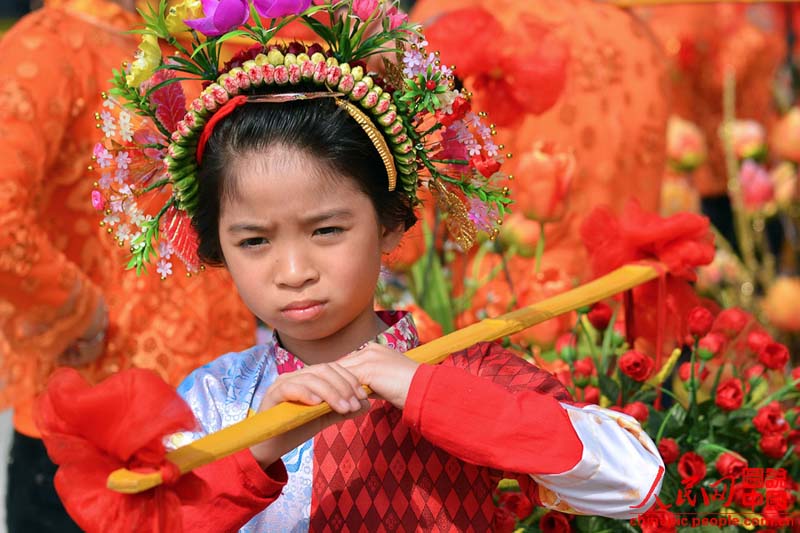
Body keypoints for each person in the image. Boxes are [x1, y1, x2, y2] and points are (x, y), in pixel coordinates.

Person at [38, 1, 665, 531]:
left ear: (390, 222)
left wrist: (422, 390)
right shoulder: (216, 398)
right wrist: (261, 444)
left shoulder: (467, 369)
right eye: (253, 242)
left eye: (328, 231)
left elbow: (632, 482)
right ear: (216, 248)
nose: (293, 270)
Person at [0, 1, 255, 530]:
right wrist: (74, 309)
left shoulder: (185, 39)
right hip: (99, 424)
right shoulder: (49, 44)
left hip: (219, 408)